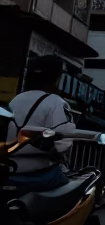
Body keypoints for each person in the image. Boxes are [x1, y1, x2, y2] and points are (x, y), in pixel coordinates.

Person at [5, 54, 76, 190]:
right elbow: (64, 146)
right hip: (39, 174)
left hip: (10, 170)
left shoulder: (16, 99)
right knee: (75, 187)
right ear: (57, 78)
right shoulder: (56, 102)